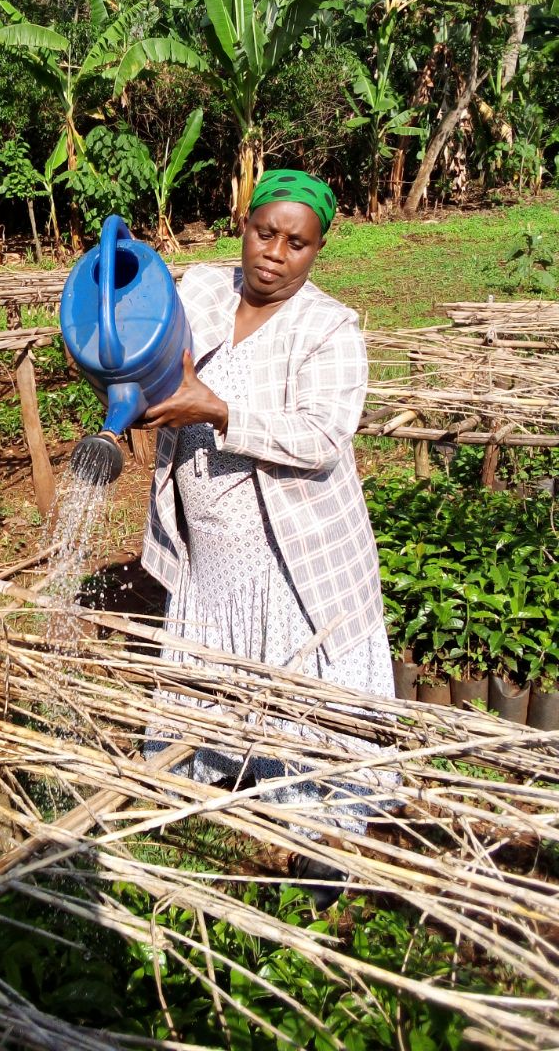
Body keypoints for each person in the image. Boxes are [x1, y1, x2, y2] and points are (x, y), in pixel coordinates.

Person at [140, 169, 394, 909]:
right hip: (212, 545)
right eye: (264, 232)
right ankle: (220, 790)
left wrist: (218, 410)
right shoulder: (199, 291)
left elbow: (320, 437)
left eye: (296, 242)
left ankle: (325, 848)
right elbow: (147, 350)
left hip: (297, 556)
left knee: (306, 692)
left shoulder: (329, 329)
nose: (275, 253)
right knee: (218, 659)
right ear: (242, 225)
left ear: (318, 250)